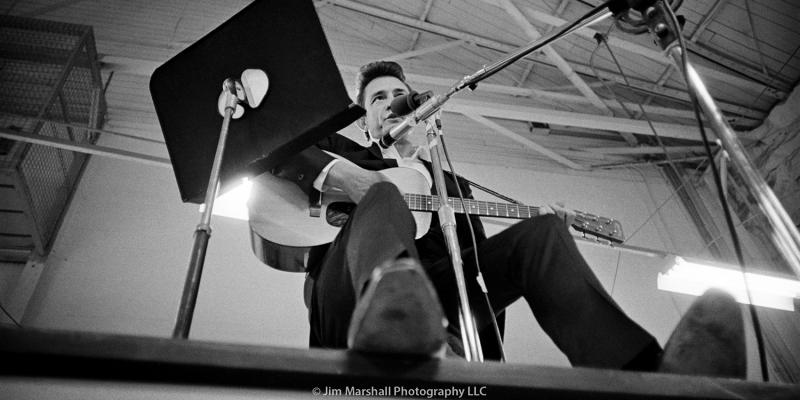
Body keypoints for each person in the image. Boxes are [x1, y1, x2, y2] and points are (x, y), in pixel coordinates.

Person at [269, 60, 745, 376]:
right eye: (378, 98)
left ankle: (645, 375)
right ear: (363, 121)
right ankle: (392, 318)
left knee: (542, 235)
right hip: (350, 295)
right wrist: (348, 178)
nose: (391, 102)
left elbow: (476, 271)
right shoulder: (343, 149)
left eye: (400, 94)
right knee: (384, 195)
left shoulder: (452, 184)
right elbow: (272, 148)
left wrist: (484, 359)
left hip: (438, 303)